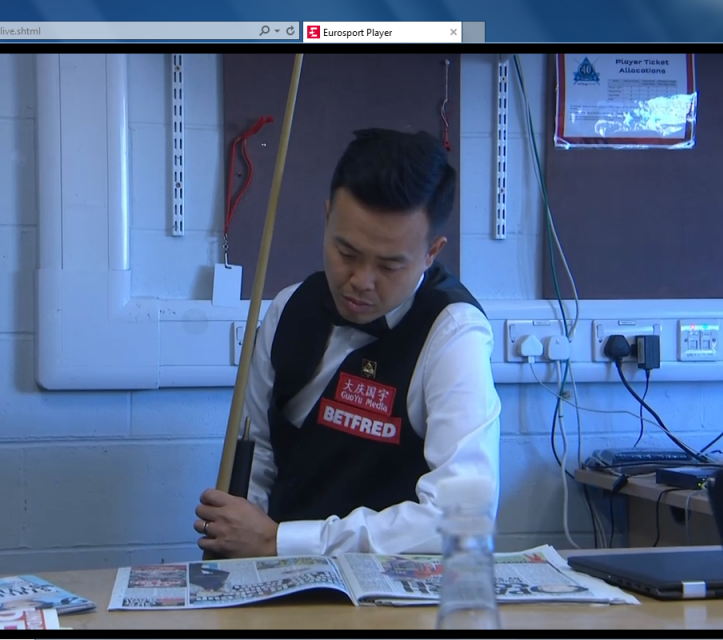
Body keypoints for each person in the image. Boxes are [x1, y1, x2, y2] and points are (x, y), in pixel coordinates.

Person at [194, 128, 501, 559]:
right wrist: (239, 530)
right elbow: (258, 455)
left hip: (391, 590)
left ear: (432, 252)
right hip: (278, 578)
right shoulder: (288, 310)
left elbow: (463, 518)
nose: (360, 281)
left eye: (389, 265)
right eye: (346, 252)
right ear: (326, 218)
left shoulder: (453, 334)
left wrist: (280, 540)